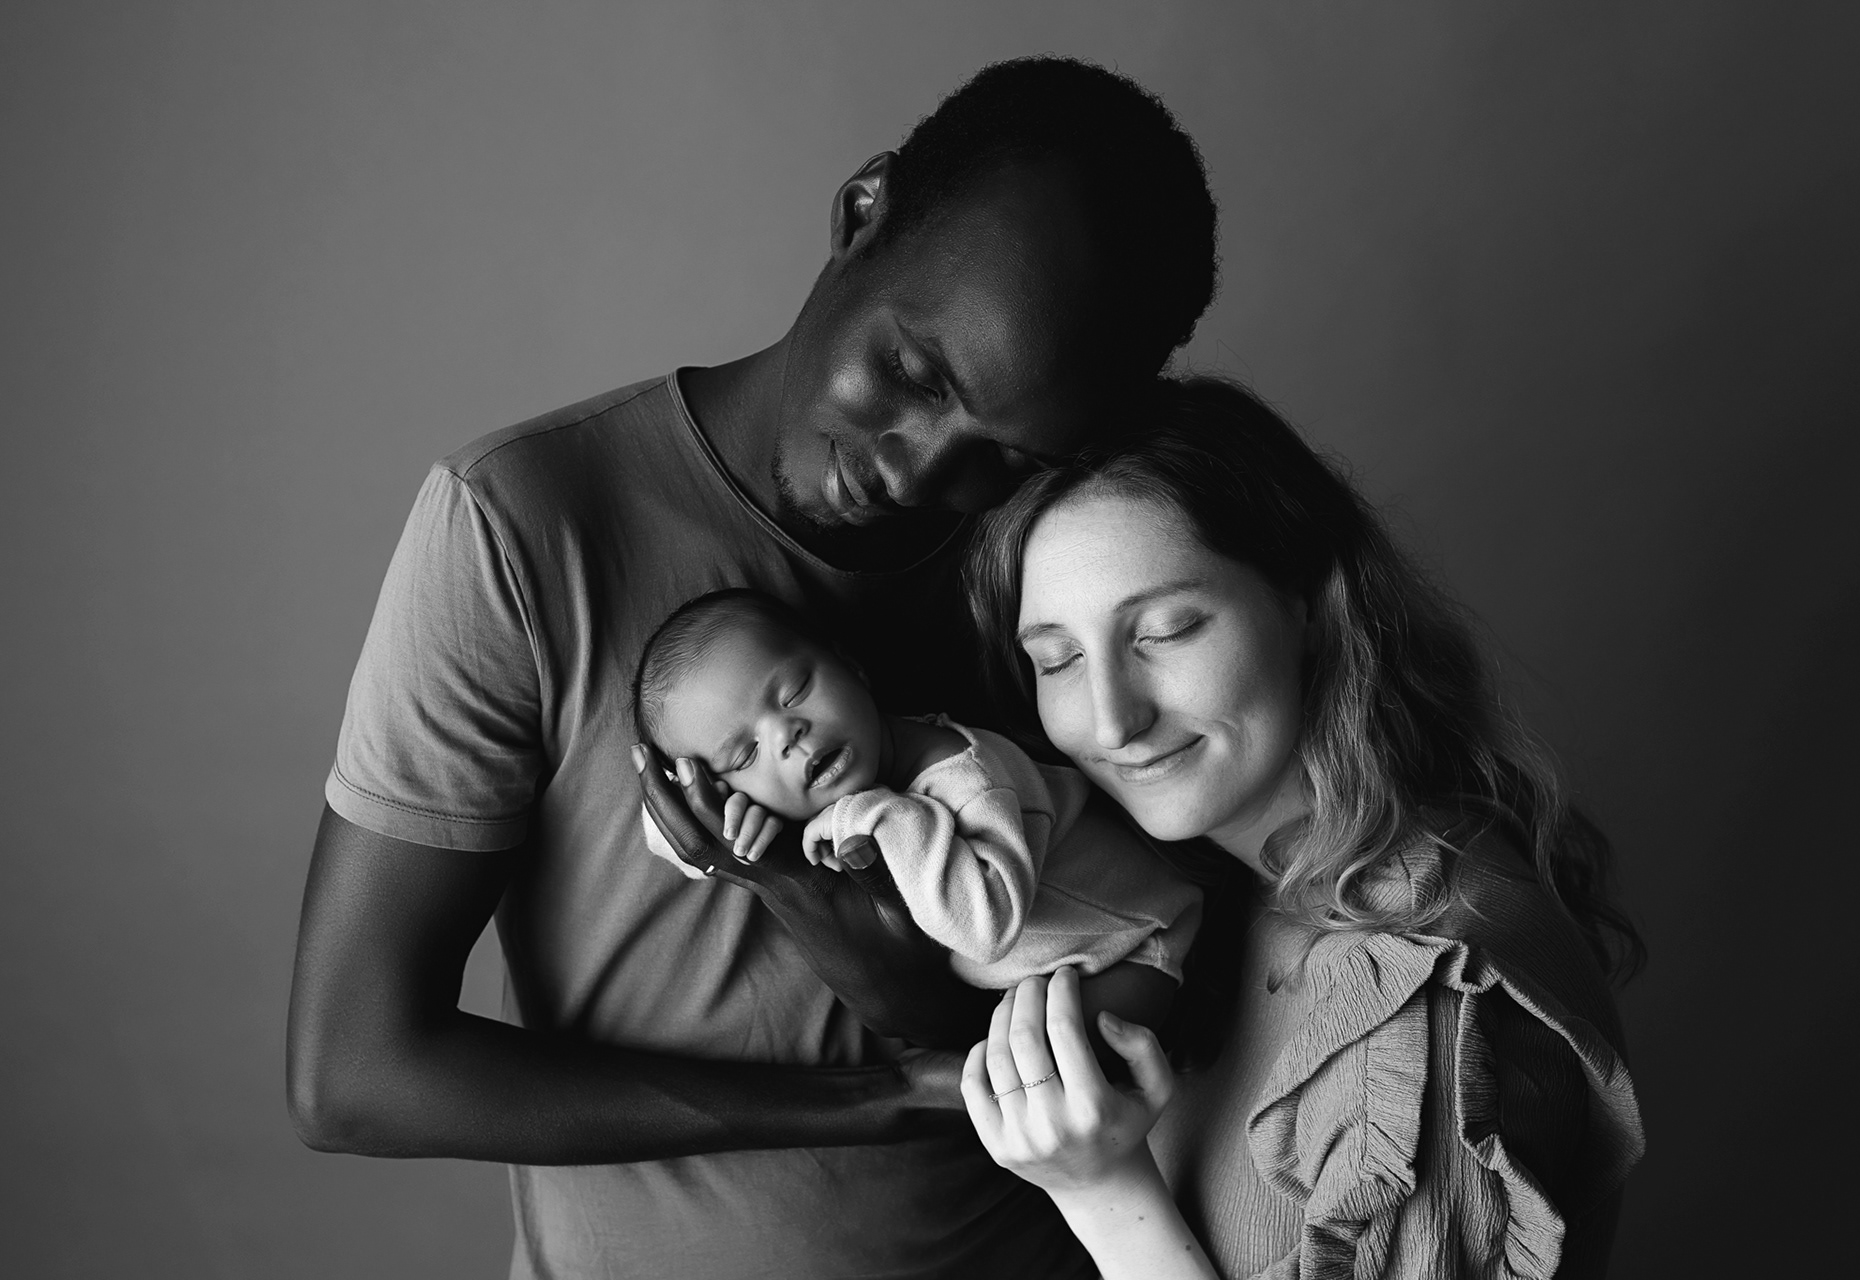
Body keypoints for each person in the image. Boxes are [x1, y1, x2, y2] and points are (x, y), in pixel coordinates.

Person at [286, 57, 1219, 1280]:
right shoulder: (527, 525)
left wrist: (853, 939)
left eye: (1006, 455)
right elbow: (355, 1074)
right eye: (912, 374)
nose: (917, 469)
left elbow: (1141, 965)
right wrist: (878, 1096)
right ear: (862, 211)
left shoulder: (1065, 558)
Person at [956, 377, 1647, 1279]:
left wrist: (1104, 1197)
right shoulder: (1223, 891)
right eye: (1058, 659)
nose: (1113, 719)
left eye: (1165, 631)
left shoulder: (1431, 1014)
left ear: (1308, 605)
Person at [634, 587, 1202, 993]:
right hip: (1049, 972)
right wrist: (714, 817)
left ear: (851, 667)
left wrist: (880, 815)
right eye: (745, 754)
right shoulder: (822, 788)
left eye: (794, 692)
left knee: (1038, 1066)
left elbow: (986, 927)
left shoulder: (965, 777)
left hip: (1135, 942)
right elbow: (684, 840)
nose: (786, 735)